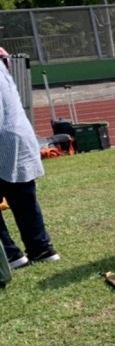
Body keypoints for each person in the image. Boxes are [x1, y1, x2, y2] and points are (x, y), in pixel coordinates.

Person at [0, 49, 60, 270]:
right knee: (23, 198)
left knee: (22, 197)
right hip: (19, 136)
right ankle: (41, 249)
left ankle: (10, 254)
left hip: (4, 140)